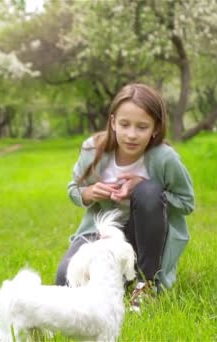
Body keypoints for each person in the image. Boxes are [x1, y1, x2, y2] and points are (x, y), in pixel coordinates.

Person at [55, 83, 195, 312]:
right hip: (103, 230)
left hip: (145, 237)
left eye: (142, 127)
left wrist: (145, 189)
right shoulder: (93, 149)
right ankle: (118, 278)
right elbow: (74, 190)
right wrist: (89, 194)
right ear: (112, 123)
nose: (131, 134)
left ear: (156, 129)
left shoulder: (164, 159)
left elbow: (187, 202)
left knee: (148, 191)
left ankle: (147, 281)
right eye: (124, 124)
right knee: (65, 280)